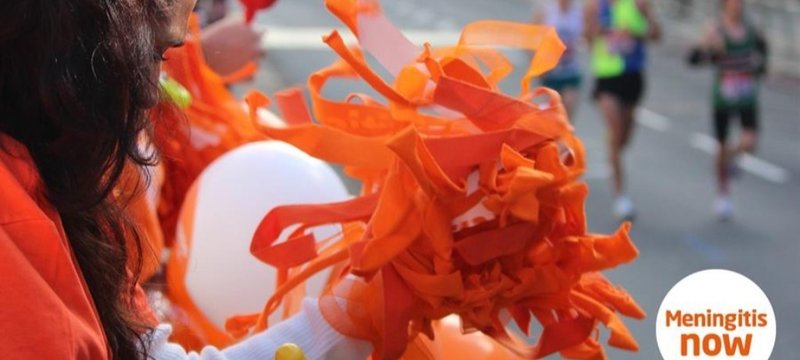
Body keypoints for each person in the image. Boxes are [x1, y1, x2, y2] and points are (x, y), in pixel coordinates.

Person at [0, 0, 369, 358]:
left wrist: (354, 313)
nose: (151, 95)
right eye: (153, 54)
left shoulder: (51, 180)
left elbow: (145, 352)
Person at [687, 0, 767, 220]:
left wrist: (758, 65)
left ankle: (730, 158)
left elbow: (762, 56)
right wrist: (711, 49)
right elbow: (694, 59)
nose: (737, 6)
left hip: (746, 96)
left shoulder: (752, 28)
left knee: (750, 141)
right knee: (721, 145)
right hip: (723, 98)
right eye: (732, 3)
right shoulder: (715, 29)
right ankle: (723, 194)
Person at [584, 0, 661, 221]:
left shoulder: (638, 4)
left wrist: (637, 31)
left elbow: (657, 34)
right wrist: (599, 30)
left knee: (623, 140)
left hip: (632, 76)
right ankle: (621, 197)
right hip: (607, 77)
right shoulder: (595, 6)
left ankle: (613, 145)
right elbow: (587, 38)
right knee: (616, 133)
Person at [533, 0, 584, 119]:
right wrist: (538, 65)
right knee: (550, 114)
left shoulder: (579, 12)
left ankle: (563, 130)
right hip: (550, 72)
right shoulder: (545, 11)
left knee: (566, 110)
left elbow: (587, 36)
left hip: (571, 70)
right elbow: (532, 39)